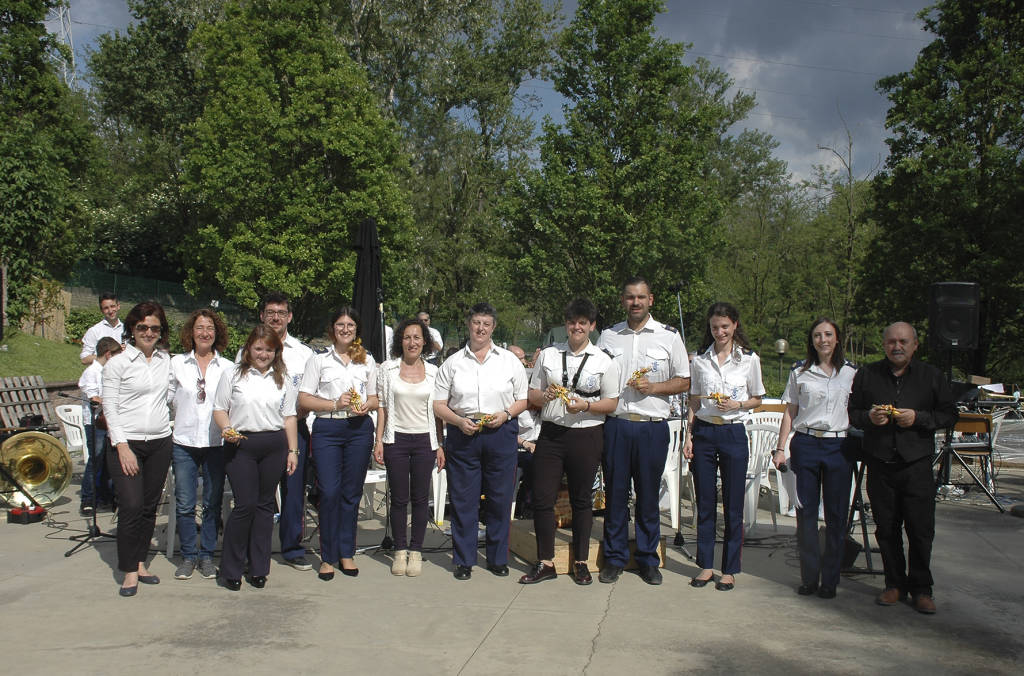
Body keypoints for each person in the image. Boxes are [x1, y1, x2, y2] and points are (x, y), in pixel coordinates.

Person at [848, 322, 956, 614]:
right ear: (884, 345)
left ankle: (922, 588)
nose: (897, 346)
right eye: (892, 342)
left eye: (903, 342)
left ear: (915, 345)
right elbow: (853, 414)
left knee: (920, 529)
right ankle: (893, 583)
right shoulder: (868, 374)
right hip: (880, 463)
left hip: (916, 463)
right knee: (886, 528)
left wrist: (918, 418)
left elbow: (949, 414)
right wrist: (870, 417)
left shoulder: (931, 376)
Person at [519, 298, 620, 586]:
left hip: (586, 434)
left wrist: (586, 407)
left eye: (583, 323)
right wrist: (545, 397)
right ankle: (545, 561)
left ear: (592, 326)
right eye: (572, 322)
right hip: (552, 433)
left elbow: (611, 403)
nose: (577, 327)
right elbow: (532, 396)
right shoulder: (549, 355)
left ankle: (581, 562)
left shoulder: (603, 360)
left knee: (581, 500)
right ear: (566, 325)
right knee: (542, 498)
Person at [597, 276, 689, 585]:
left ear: (651, 300)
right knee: (616, 496)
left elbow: (684, 380)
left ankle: (649, 559)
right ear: (622, 301)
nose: (635, 302)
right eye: (629, 297)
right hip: (617, 426)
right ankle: (615, 558)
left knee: (649, 497)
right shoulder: (609, 336)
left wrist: (655, 387)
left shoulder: (669, 337)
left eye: (641, 297)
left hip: (652, 428)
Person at [433, 302, 528, 580]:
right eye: (476, 323)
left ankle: (498, 557)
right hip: (464, 434)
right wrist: (458, 421)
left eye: (486, 324)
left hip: (500, 432)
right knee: (464, 500)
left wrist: (506, 414)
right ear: (469, 324)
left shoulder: (509, 361)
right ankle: (464, 559)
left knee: (499, 499)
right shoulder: (452, 363)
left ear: (494, 327)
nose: (481, 328)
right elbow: (438, 404)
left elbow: (522, 399)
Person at [683, 302, 765, 591]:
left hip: (733, 432)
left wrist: (737, 404)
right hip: (705, 432)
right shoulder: (700, 360)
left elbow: (757, 398)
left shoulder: (749, 360)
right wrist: (688, 435)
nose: (720, 332)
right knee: (705, 502)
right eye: (715, 327)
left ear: (735, 326)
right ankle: (705, 565)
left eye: (725, 327)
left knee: (732, 504)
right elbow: (694, 400)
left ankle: (729, 568)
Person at [772, 318, 856, 599]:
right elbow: (790, 411)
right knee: (805, 514)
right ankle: (809, 578)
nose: (823, 340)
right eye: (818, 335)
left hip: (838, 446)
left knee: (835, 515)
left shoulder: (851, 373)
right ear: (812, 340)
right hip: (807, 444)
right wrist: (781, 447)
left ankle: (830, 580)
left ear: (837, 338)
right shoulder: (800, 371)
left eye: (828, 334)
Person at [214, 326, 299, 591]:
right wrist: (226, 429)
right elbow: (219, 408)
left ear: (277, 352)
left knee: (265, 507)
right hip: (241, 445)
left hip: (274, 444)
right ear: (249, 348)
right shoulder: (232, 375)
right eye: (259, 348)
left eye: (269, 350)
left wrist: (293, 451)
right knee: (244, 506)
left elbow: (289, 417)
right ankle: (232, 568)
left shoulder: (283, 378)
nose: (263, 354)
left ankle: (259, 567)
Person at [298, 307, 378, 580]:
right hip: (328, 428)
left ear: (357, 330)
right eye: (341, 324)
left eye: (351, 325)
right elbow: (304, 399)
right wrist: (334, 403)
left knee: (351, 493)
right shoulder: (318, 360)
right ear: (332, 329)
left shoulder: (367, 360)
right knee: (329, 492)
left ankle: (347, 553)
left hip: (358, 429)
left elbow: (376, 398)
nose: (346, 329)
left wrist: (367, 404)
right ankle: (328, 556)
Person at [102, 301, 173, 597]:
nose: (148, 332)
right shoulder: (118, 362)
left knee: (148, 507)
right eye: (143, 327)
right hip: (126, 443)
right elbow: (109, 406)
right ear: (132, 328)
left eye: (154, 328)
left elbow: (172, 395)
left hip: (159, 442)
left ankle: (141, 562)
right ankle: (129, 569)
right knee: (130, 505)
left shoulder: (164, 360)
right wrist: (122, 445)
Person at [243, 292, 315, 571]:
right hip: (257, 431)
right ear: (262, 315)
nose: (275, 317)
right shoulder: (247, 350)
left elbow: (312, 392)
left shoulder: (304, 353)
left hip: (294, 428)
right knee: (257, 494)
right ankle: (253, 549)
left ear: (290, 317)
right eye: (270, 312)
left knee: (294, 491)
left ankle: (292, 547)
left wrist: (305, 408)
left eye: (281, 313)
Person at [373, 318, 444, 577]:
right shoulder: (388, 370)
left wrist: (439, 444)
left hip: (425, 441)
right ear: (399, 341)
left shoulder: (436, 372)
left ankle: (416, 551)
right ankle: (400, 550)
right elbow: (381, 406)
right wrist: (378, 440)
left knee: (420, 499)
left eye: (416, 337)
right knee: (399, 499)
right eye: (406, 337)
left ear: (424, 341)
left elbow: (438, 411)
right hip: (396, 440)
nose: (412, 342)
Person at [168, 309, 233, 581]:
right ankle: (188, 556)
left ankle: (206, 555)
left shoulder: (227, 367)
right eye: (199, 328)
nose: (204, 333)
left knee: (211, 502)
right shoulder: (177, 364)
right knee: (184, 503)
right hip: (184, 441)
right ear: (190, 333)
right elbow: (168, 398)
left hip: (215, 443)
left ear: (216, 333)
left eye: (209, 328)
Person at [78, 337, 121, 516]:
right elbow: (92, 396)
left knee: (108, 460)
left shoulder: (108, 371)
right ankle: (88, 498)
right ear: (108, 354)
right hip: (96, 422)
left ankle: (106, 495)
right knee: (95, 460)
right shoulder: (92, 371)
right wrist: (110, 400)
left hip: (109, 421)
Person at [80, 293, 124, 365]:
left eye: (112, 306)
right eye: (106, 308)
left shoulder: (127, 330)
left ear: (118, 306)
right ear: (101, 310)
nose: (110, 311)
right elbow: (84, 359)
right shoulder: (94, 331)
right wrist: (109, 355)